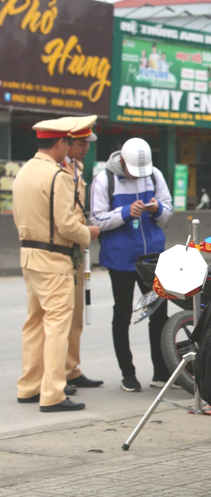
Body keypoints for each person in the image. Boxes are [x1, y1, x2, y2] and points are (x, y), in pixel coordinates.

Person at [13, 117, 100, 412]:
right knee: (56, 326)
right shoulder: (57, 176)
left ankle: (29, 386)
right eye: (70, 142)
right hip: (54, 258)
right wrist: (88, 234)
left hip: (29, 255)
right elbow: (66, 225)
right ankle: (52, 393)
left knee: (34, 323)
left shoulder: (24, 171)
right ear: (61, 142)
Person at [90, 138, 173, 392]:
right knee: (122, 314)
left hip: (153, 257)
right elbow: (97, 219)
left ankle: (161, 371)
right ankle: (128, 373)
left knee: (159, 314)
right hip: (121, 259)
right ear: (122, 161)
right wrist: (126, 212)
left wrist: (157, 208)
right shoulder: (104, 179)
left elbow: (168, 212)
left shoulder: (155, 175)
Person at [62, 116, 104, 389]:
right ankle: (56, 373)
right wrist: (85, 233)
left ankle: (70, 367)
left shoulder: (76, 167)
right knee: (59, 317)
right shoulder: (56, 170)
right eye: (81, 143)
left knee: (76, 314)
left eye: (88, 143)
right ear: (65, 142)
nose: (86, 148)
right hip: (62, 247)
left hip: (77, 250)